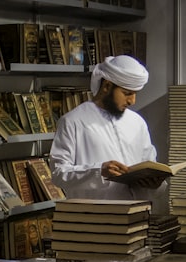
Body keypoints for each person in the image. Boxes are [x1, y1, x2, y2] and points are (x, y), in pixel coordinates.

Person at [48, 54, 168, 211]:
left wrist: (155, 183)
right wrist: (99, 171)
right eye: (127, 93)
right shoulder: (73, 121)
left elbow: (149, 164)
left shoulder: (137, 122)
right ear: (107, 86)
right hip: (95, 220)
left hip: (137, 216)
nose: (132, 101)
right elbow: (59, 174)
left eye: (135, 93)